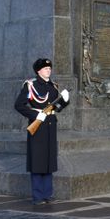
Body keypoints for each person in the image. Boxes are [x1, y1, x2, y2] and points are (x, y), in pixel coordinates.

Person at [14, 58, 70, 205]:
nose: (48, 70)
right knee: (38, 160)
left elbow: (55, 107)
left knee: (49, 160)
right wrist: (35, 115)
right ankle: (38, 196)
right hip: (37, 126)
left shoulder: (53, 86)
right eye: (45, 69)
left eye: (49, 68)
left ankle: (48, 194)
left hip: (50, 126)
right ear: (38, 71)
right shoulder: (30, 85)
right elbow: (19, 105)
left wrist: (64, 101)